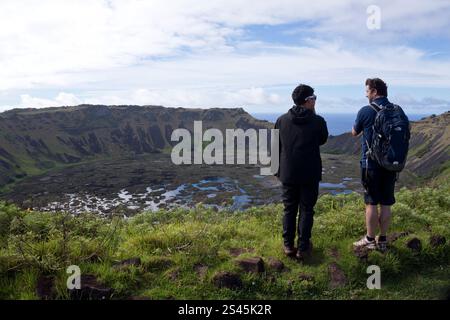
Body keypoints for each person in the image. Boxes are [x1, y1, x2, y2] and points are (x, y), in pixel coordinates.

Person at [352, 78, 407, 252]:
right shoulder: (398, 110)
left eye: (367, 91)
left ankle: (369, 240)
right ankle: (382, 239)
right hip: (391, 164)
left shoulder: (366, 111)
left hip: (371, 165)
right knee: (386, 203)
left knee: (371, 203)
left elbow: (355, 132)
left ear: (375, 92)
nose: (366, 94)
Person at [274, 84, 328, 260]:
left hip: (288, 173)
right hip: (310, 173)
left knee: (289, 209)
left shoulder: (281, 120)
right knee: (306, 209)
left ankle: (288, 246)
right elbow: (322, 139)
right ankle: (303, 248)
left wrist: (277, 171)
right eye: (314, 98)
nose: (315, 101)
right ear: (308, 101)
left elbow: (275, 147)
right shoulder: (318, 121)